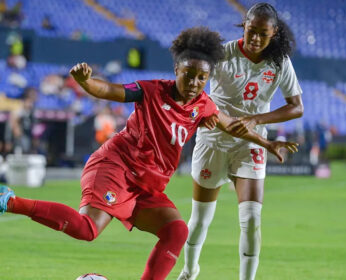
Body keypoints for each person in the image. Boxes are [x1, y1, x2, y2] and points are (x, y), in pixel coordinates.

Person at [0, 26, 298, 280]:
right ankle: (10, 201)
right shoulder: (150, 90)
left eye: (201, 78)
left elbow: (231, 125)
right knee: (86, 229)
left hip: (148, 184)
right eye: (188, 75)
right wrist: (85, 82)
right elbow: (110, 90)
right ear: (176, 71)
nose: (194, 83)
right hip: (115, 167)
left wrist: (267, 143)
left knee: (176, 231)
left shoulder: (203, 104)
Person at [178, 4, 304, 280]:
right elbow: (192, 81)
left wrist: (256, 120)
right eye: (251, 31)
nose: (256, 38)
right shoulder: (222, 54)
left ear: (274, 34)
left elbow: (296, 107)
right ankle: (189, 270)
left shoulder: (279, 62)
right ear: (243, 26)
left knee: (250, 220)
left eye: (263, 33)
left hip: (251, 144)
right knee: (200, 218)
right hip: (213, 140)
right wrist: (201, 109)